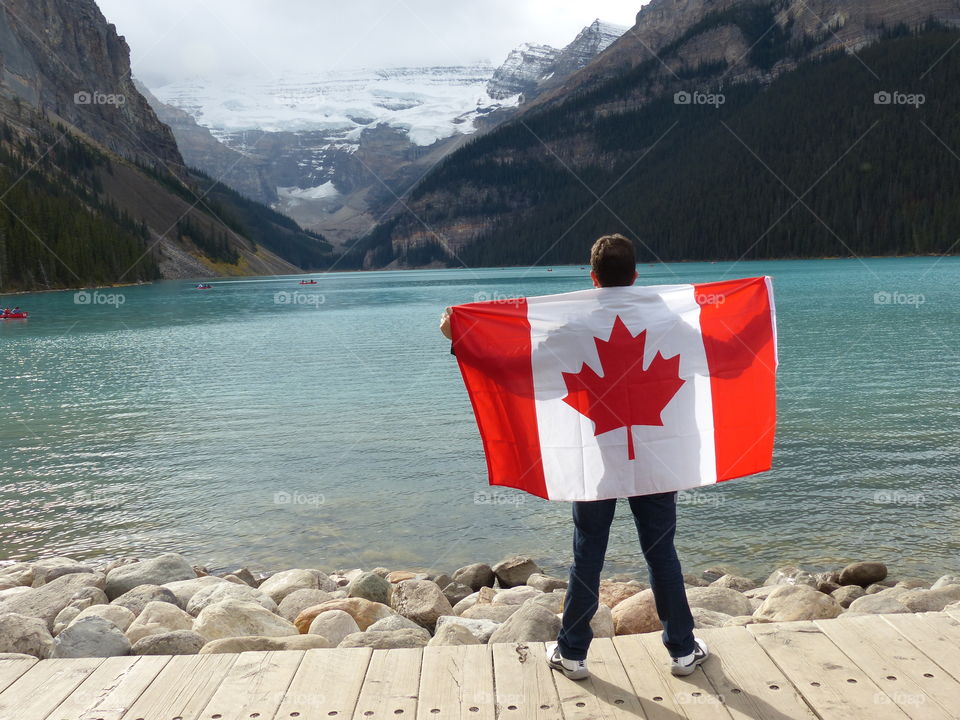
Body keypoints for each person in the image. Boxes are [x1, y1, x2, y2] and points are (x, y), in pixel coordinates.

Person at [439, 234, 708, 680]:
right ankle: (682, 651)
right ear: (635, 275)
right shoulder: (667, 321)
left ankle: (574, 653)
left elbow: (517, 366)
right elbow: (718, 355)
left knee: (588, 556)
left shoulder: (574, 327)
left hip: (598, 466)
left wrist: (461, 337)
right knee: (662, 555)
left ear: (592, 277)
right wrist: (754, 316)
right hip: (656, 462)